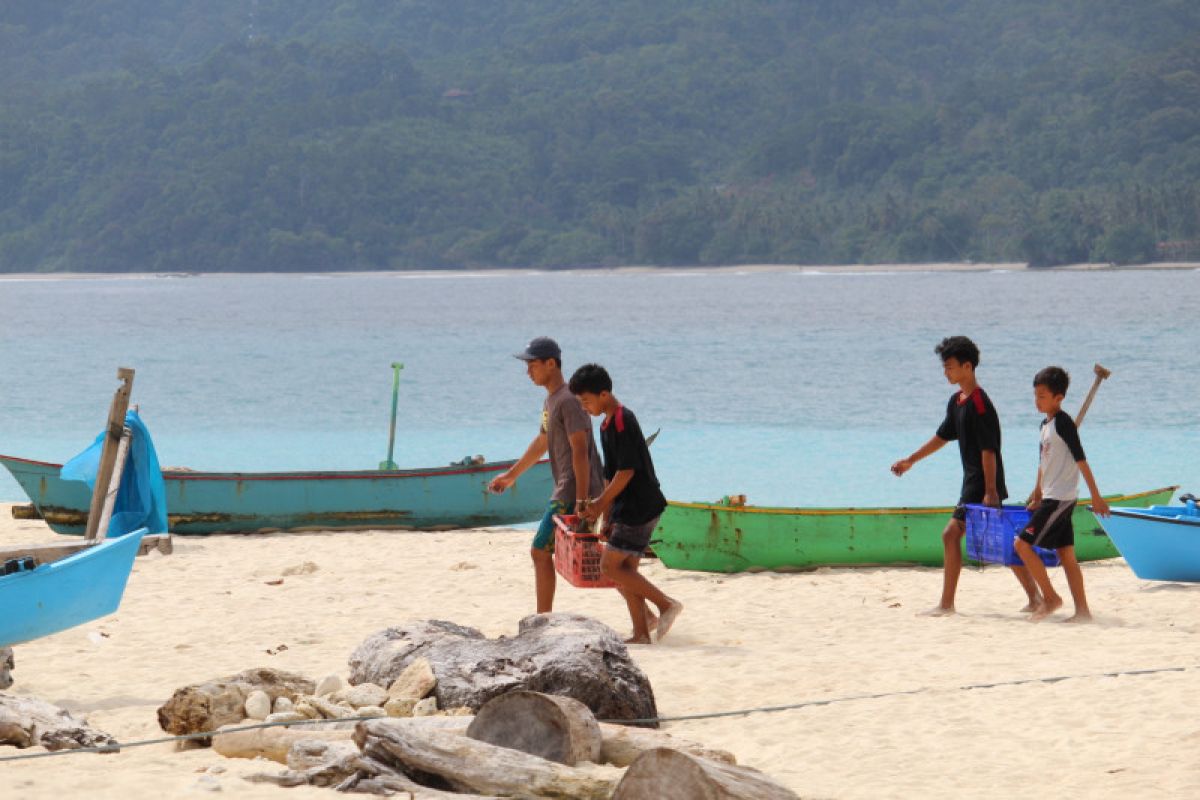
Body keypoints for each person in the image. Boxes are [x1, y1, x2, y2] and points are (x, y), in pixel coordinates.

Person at [891, 336, 1041, 615]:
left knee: (951, 534)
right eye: (944, 367)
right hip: (973, 482)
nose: (946, 372)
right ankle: (1035, 597)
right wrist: (911, 460)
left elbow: (989, 450)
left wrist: (991, 491)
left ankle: (947, 604)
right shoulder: (957, 401)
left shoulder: (980, 403)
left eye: (950, 367)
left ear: (967, 366)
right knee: (1004, 540)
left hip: (984, 482)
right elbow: (942, 437)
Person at [488, 337, 604, 614]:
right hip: (571, 487)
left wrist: (581, 499)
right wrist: (511, 475)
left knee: (540, 551)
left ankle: (543, 619)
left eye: (532, 365)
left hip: (574, 488)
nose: (528, 371)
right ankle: (649, 613)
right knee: (592, 557)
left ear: (551, 364)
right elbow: (543, 440)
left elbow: (580, 450)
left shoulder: (568, 401)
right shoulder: (551, 401)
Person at [569, 363, 682, 644]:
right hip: (628, 507)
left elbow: (627, 471)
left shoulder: (622, 420)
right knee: (626, 573)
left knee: (609, 567)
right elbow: (610, 475)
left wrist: (599, 503)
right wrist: (606, 516)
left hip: (640, 505)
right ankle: (642, 632)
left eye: (586, 400)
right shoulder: (607, 425)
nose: (584, 407)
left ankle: (666, 604)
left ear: (604, 394)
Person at [1015, 366, 1110, 622]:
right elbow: (1042, 465)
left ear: (1059, 398)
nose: (1038, 401)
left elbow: (1081, 461)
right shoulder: (1044, 425)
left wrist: (1096, 497)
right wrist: (1036, 495)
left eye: (1043, 396)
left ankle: (1051, 598)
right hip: (1050, 496)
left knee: (1022, 545)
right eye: (1036, 396)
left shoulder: (1065, 423)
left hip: (1060, 498)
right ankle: (1083, 612)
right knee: (1066, 554)